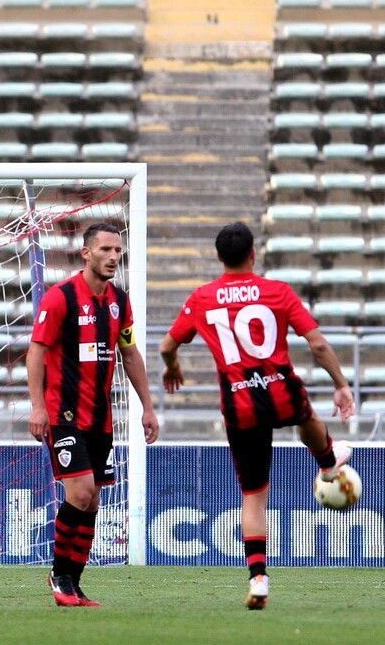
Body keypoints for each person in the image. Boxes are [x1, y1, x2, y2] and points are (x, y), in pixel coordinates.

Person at [160, 221, 354, 610]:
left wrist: (172, 367)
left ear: (218, 257)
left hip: (238, 401)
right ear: (254, 253)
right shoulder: (277, 292)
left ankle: (259, 578)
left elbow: (167, 345)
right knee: (307, 417)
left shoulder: (202, 298)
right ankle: (329, 464)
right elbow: (316, 343)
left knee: (253, 496)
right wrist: (341, 384)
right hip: (279, 388)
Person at [28, 222, 160, 606]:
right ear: (86, 253)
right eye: (105, 250)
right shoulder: (60, 298)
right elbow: (36, 351)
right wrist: (38, 406)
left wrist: (148, 407)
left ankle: (73, 581)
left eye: (118, 251)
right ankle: (58, 573)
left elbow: (130, 353)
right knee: (81, 492)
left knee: (94, 501)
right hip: (63, 413)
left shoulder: (119, 301)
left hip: (101, 418)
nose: (113, 257)